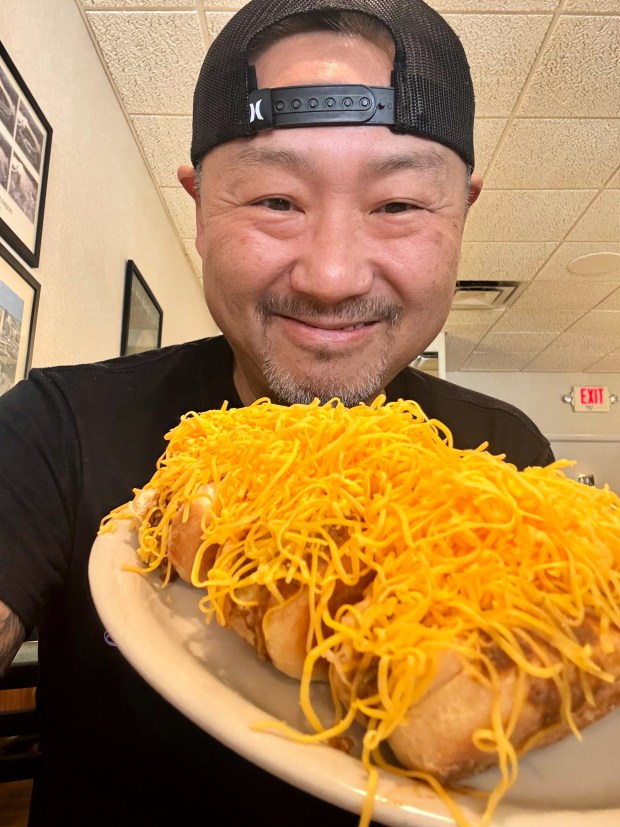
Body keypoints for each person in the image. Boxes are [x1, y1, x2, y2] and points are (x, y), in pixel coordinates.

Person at [0, 1, 554, 824]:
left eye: (398, 205)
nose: (331, 274)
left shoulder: (508, 456)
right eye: (274, 200)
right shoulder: (57, 424)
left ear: (462, 212)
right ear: (197, 208)